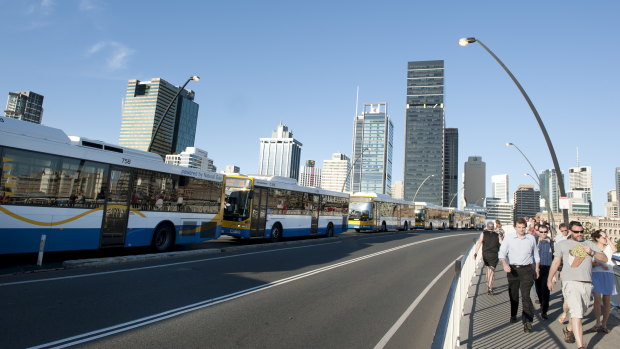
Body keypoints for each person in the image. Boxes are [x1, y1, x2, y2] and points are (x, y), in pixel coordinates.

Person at [547, 221, 607, 348]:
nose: (580, 234)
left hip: (587, 283)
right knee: (577, 314)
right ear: (570, 231)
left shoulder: (589, 244)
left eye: (581, 231)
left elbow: (605, 258)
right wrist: (550, 278)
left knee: (580, 313)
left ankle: (569, 329)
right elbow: (556, 262)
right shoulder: (562, 244)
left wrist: (592, 252)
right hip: (570, 282)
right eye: (576, 232)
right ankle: (581, 346)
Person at [498, 218, 540, 333]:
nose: (521, 230)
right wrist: (504, 264)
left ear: (525, 227)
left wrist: (536, 268)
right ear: (515, 227)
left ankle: (527, 322)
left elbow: (536, 255)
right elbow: (501, 254)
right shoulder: (509, 238)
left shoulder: (531, 238)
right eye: (519, 227)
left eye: (523, 227)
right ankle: (513, 314)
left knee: (526, 296)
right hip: (512, 270)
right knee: (514, 294)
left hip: (527, 270)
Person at [589, 230, 617, 334]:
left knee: (606, 300)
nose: (605, 238)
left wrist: (608, 238)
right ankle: (597, 323)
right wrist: (599, 265)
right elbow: (589, 262)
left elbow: (615, 249)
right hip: (596, 274)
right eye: (603, 237)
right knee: (597, 299)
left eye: (605, 237)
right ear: (597, 238)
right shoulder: (592, 247)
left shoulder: (608, 247)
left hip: (608, 274)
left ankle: (604, 324)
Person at [473, 221, 502, 295]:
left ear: (487, 227)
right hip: (494, 255)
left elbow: (479, 242)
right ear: (493, 227)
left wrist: (475, 253)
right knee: (492, 270)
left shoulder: (483, 233)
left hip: (485, 254)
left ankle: (488, 284)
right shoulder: (497, 235)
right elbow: (502, 243)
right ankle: (490, 287)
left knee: (488, 269)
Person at [534, 224, 553, 319]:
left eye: (545, 232)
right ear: (538, 232)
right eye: (541, 232)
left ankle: (544, 311)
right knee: (538, 289)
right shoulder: (534, 241)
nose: (543, 234)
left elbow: (556, 256)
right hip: (537, 268)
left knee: (545, 290)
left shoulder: (552, 242)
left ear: (548, 231)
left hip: (547, 268)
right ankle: (542, 303)